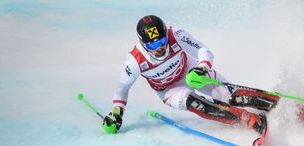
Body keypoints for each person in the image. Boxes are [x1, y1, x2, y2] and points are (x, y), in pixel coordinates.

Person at [103, 15, 281, 136]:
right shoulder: (134, 61)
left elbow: (204, 51)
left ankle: (281, 103)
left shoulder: (176, 34)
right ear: (143, 43)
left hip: (191, 72)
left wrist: (202, 68)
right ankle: (247, 119)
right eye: (153, 45)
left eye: (163, 41)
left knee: (230, 96)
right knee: (195, 102)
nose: (160, 48)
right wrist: (117, 113)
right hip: (169, 90)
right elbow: (122, 89)